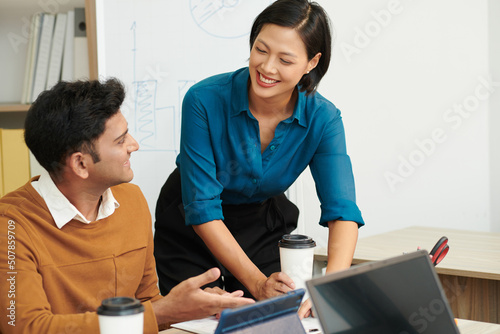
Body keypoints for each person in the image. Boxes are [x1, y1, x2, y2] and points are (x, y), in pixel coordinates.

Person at [154, 0, 365, 318]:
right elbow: (203, 207)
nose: (267, 68)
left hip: (260, 222)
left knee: (279, 315)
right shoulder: (204, 99)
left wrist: (330, 288)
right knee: (198, 319)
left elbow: (343, 211)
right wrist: (256, 282)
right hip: (192, 222)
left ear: (312, 62)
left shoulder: (323, 118)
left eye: (285, 59)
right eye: (261, 50)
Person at [0, 79, 253, 334]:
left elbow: (146, 305)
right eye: (121, 141)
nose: (134, 145)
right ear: (80, 164)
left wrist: (194, 307)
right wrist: (162, 311)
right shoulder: (10, 225)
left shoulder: (131, 201)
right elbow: (24, 327)